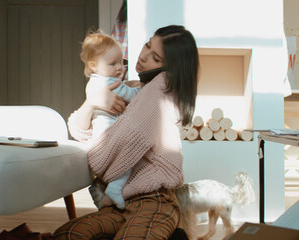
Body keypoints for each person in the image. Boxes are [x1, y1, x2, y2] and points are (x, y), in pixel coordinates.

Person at [53, 25, 199, 240]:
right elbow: (77, 129)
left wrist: (95, 136)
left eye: (155, 58)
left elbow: (103, 156)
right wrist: (92, 103)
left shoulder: (161, 89)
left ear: (169, 69)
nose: (143, 56)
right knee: (67, 234)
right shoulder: (133, 88)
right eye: (147, 45)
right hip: (120, 202)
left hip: (152, 200)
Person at [80, 32, 140, 210]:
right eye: (112, 63)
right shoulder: (110, 83)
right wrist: (142, 89)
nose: (119, 67)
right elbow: (130, 96)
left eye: (121, 62)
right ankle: (114, 189)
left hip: (100, 136)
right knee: (128, 159)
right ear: (93, 65)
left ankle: (102, 190)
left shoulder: (93, 83)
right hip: (110, 136)